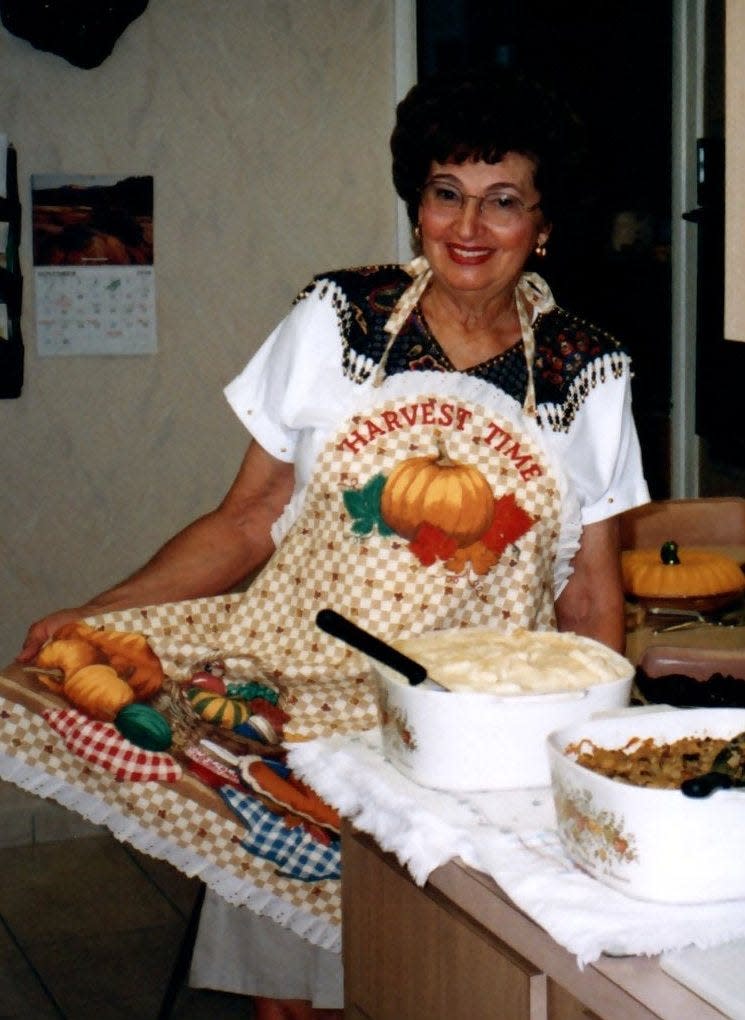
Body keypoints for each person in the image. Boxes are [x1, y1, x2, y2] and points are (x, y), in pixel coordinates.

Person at [19, 67, 649, 1019]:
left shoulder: (584, 370)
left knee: (435, 984)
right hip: (298, 718)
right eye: (446, 194)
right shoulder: (339, 317)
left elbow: (592, 600)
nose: (468, 228)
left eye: (503, 202)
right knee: (294, 1000)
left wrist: (601, 756)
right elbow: (244, 519)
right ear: (416, 203)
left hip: (459, 734)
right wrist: (104, 613)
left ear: (545, 223)